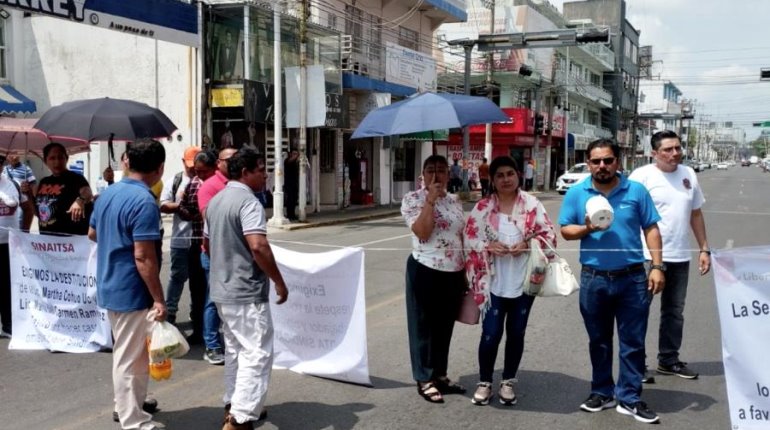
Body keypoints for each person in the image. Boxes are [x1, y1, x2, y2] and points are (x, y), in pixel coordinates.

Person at [559, 138, 665, 424]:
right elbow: (566, 231)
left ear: (618, 162)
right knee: (599, 341)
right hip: (594, 279)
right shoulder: (577, 192)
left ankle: (629, 398)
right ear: (589, 163)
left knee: (633, 342)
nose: (602, 166)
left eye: (607, 160)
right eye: (596, 161)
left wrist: (657, 266)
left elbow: (651, 228)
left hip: (632, 278)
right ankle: (602, 392)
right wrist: (587, 228)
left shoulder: (636, 191)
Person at [204, 148, 288, 430]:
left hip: (222, 290)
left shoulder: (216, 201)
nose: (265, 174)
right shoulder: (248, 202)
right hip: (245, 292)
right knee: (257, 353)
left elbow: (206, 244)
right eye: (260, 169)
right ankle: (239, 419)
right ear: (244, 173)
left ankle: (234, 404)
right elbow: (258, 245)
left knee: (237, 351)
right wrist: (278, 280)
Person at [464, 155, 557, 406]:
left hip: (524, 283)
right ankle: (484, 382)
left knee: (516, 332)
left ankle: (508, 382)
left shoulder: (532, 204)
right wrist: (487, 245)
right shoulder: (483, 207)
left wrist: (527, 244)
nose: (506, 179)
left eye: (510, 174)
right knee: (491, 334)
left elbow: (549, 236)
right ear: (492, 180)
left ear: (518, 175)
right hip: (492, 284)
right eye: (500, 175)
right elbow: (469, 238)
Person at [88, 138, 167, 430]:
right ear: (159, 169)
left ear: (126, 162)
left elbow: (92, 234)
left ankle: (132, 402)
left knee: (134, 353)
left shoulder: (108, 194)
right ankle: (131, 419)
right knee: (128, 356)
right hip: (131, 289)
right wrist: (159, 298)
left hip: (111, 282)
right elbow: (144, 257)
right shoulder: (144, 201)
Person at [629, 130, 710, 381]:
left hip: (680, 255)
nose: (675, 153)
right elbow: (628, 215)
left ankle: (668, 359)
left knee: (675, 311)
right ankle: (636, 364)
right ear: (654, 153)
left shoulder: (688, 174)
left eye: (677, 148)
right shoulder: (641, 176)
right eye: (668, 149)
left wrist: (704, 248)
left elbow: (695, 213)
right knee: (639, 310)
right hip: (646, 257)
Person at [401, 155, 467, 404]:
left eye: (441, 170)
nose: (436, 175)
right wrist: (429, 200)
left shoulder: (454, 201)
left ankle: (440, 374)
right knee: (423, 327)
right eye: (431, 170)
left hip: (453, 271)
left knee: (444, 327)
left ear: (449, 175)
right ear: (422, 175)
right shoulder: (412, 199)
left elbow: (460, 235)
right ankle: (424, 378)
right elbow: (422, 232)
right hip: (425, 268)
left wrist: (465, 271)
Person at [196, 147, 238, 365]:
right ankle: (212, 345)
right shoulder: (210, 187)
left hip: (234, 253)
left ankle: (228, 340)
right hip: (214, 253)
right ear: (219, 163)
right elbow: (210, 223)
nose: (234, 163)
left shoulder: (236, 185)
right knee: (213, 300)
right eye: (230, 159)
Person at [160, 146, 204, 335]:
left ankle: (198, 319)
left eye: (197, 166)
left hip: (200, 241)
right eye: (190, 165)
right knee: (177, 278)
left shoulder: (205, 180)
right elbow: (163, 204)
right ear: (183, 162)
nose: (193, 169)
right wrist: (180, 207)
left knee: (199, 282)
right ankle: (170, 316)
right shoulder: (175, 180)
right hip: (180, 240)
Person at [176, 150, 218, 344]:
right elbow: (182, 207)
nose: (200, 175)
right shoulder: (192, 184)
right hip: (196, 244)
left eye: (204, 171)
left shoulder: (221, 185)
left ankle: (213, 333)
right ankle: (199, 330)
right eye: (197, 171)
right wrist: (192, 215)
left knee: (214, 293)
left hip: (217, 247)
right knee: (197, 290)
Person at [0, 168, 34, 338]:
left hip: (9, 243)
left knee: (7, 285)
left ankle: (7, 325)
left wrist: (25, 232)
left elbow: (28, 209)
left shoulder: (12, 184)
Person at [35, 143, 93, 235]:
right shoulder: (43, 181)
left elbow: (87, 192)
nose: (57, 162)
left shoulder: (76, 178)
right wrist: (27, 193)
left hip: (70, 242)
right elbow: (37, 212)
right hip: (46, 241)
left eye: (61, 157)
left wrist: (80, 200)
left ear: (66, 159)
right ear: (45, 161)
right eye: (52, 158)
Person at [3, 154, 36, 229]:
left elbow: (33, 184)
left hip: (21, 202)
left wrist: (31, 194)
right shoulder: (4, 169)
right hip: (8, 202)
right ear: (8, 157)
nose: (14, 157)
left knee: (20, 224)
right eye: (11, 155)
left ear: (19, 156)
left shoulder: (26, 169)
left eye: (16, 154)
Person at [283, 149, 300, 220]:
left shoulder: (295, 162)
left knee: (294, 199)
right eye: (294, 153)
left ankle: (292, 214)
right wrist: (297, 156)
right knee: (290, 199)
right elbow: (291, 160)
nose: (295, 155)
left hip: (294, 183)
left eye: (296, 154)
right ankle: (289, 214)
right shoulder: (287, 161)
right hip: (289, 183)